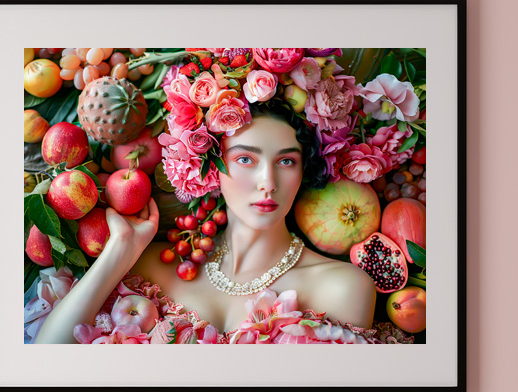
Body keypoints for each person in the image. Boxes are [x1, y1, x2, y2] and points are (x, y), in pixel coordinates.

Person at [33, 104, 376, 345]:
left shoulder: (342, 288)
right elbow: (46, 365)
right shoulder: (148, 266)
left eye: (286, 161)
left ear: (303, 171)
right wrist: (118, 252)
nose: (268, 183)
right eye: (245, 159)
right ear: (212, 169)